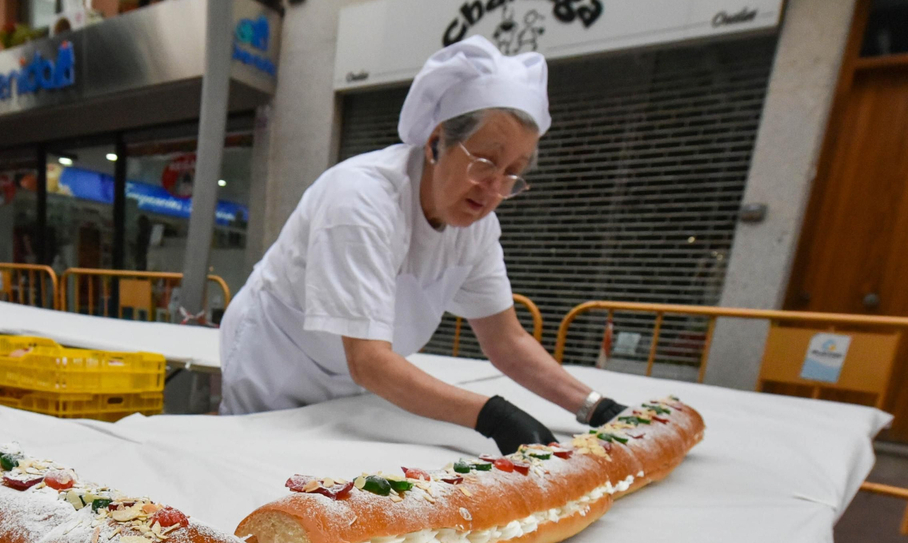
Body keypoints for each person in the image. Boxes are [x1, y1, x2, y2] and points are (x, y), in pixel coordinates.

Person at [219, 36, 627, 454]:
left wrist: (595, 407)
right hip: (279, 365)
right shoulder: (361, 199)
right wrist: (491, 416)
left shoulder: (477, 228)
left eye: (511, 174)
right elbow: (368, 360)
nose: (493, 190)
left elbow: (507, 341)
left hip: (356, 382)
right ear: (436, 142)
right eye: (485, 163)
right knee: (262, 465)